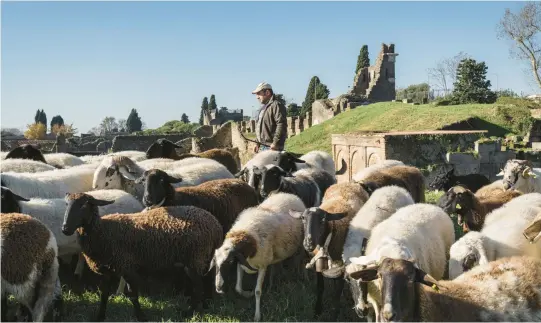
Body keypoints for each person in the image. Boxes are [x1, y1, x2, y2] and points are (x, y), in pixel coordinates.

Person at [252, 82, 287, 153]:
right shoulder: (263, 108)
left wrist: (275, 143)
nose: (257, 97)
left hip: (272, 147)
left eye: (259, 93)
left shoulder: (276, 105)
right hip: (263, 146)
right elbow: (260, 128)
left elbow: (281, 124)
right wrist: (257, 143)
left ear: (267, 92)